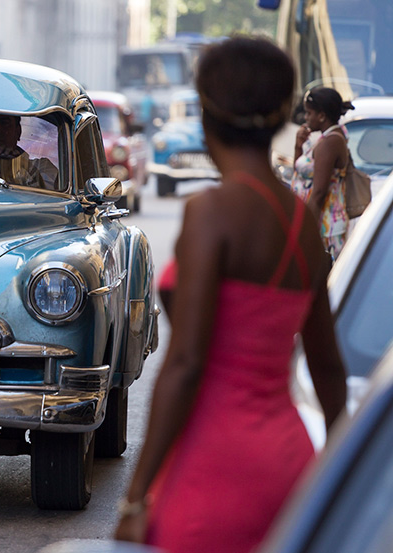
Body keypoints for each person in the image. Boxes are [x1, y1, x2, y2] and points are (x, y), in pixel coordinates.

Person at [114, 36, 347, 553]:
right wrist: (338, 478)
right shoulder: (302, 227)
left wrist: (134, 499)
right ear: (282, 114)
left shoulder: (212, 212)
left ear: (206, 113)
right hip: (288, 467)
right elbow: (328, 366)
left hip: (212, 467)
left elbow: (186, 364)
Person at [290, 87, 354, 260]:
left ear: (322, 116)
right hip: (322, 224)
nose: (305, 117)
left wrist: (305, 229)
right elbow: (302, 174)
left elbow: (318, 192)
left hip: (325, 227)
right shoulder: (327, 137)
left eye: (309, 113)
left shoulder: (330, 142)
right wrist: (298, 146)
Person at [0, 112, 57, 188]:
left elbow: (46, 196)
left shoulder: (42, 168)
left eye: (4, 123)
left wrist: (20, 164)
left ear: (18, 131)